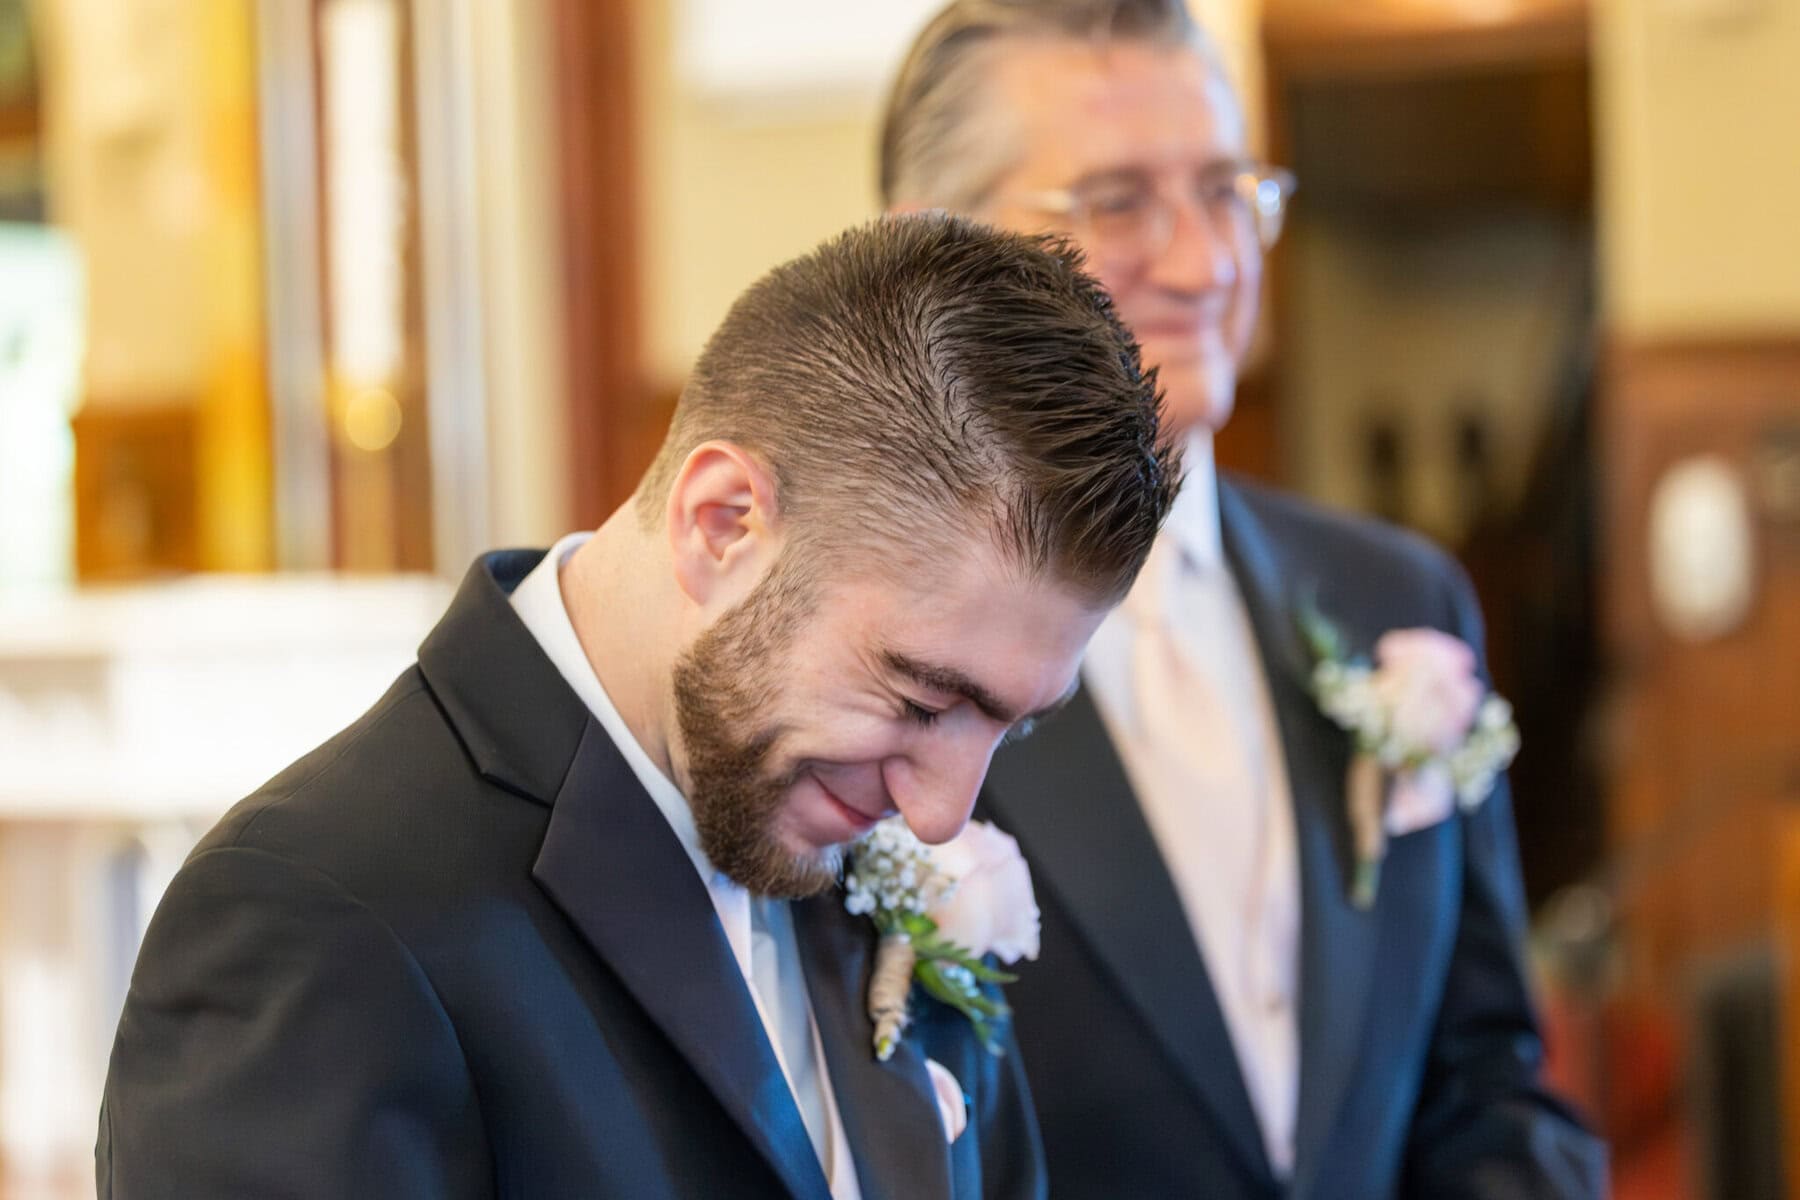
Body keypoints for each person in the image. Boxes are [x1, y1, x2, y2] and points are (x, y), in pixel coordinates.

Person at [96, 214, 1177, 1200]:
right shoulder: (316, 916)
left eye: (1013, 724)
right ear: (722, 523)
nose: (945, 813)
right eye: (921, 695)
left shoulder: (859, 843)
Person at [881, 4, 1607, 1197]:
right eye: (1114, 202)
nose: (1204, 261)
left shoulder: (1396, 599)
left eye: (1227, 190)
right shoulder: (880, 665)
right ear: (929, 254)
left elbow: (1482, 1076)